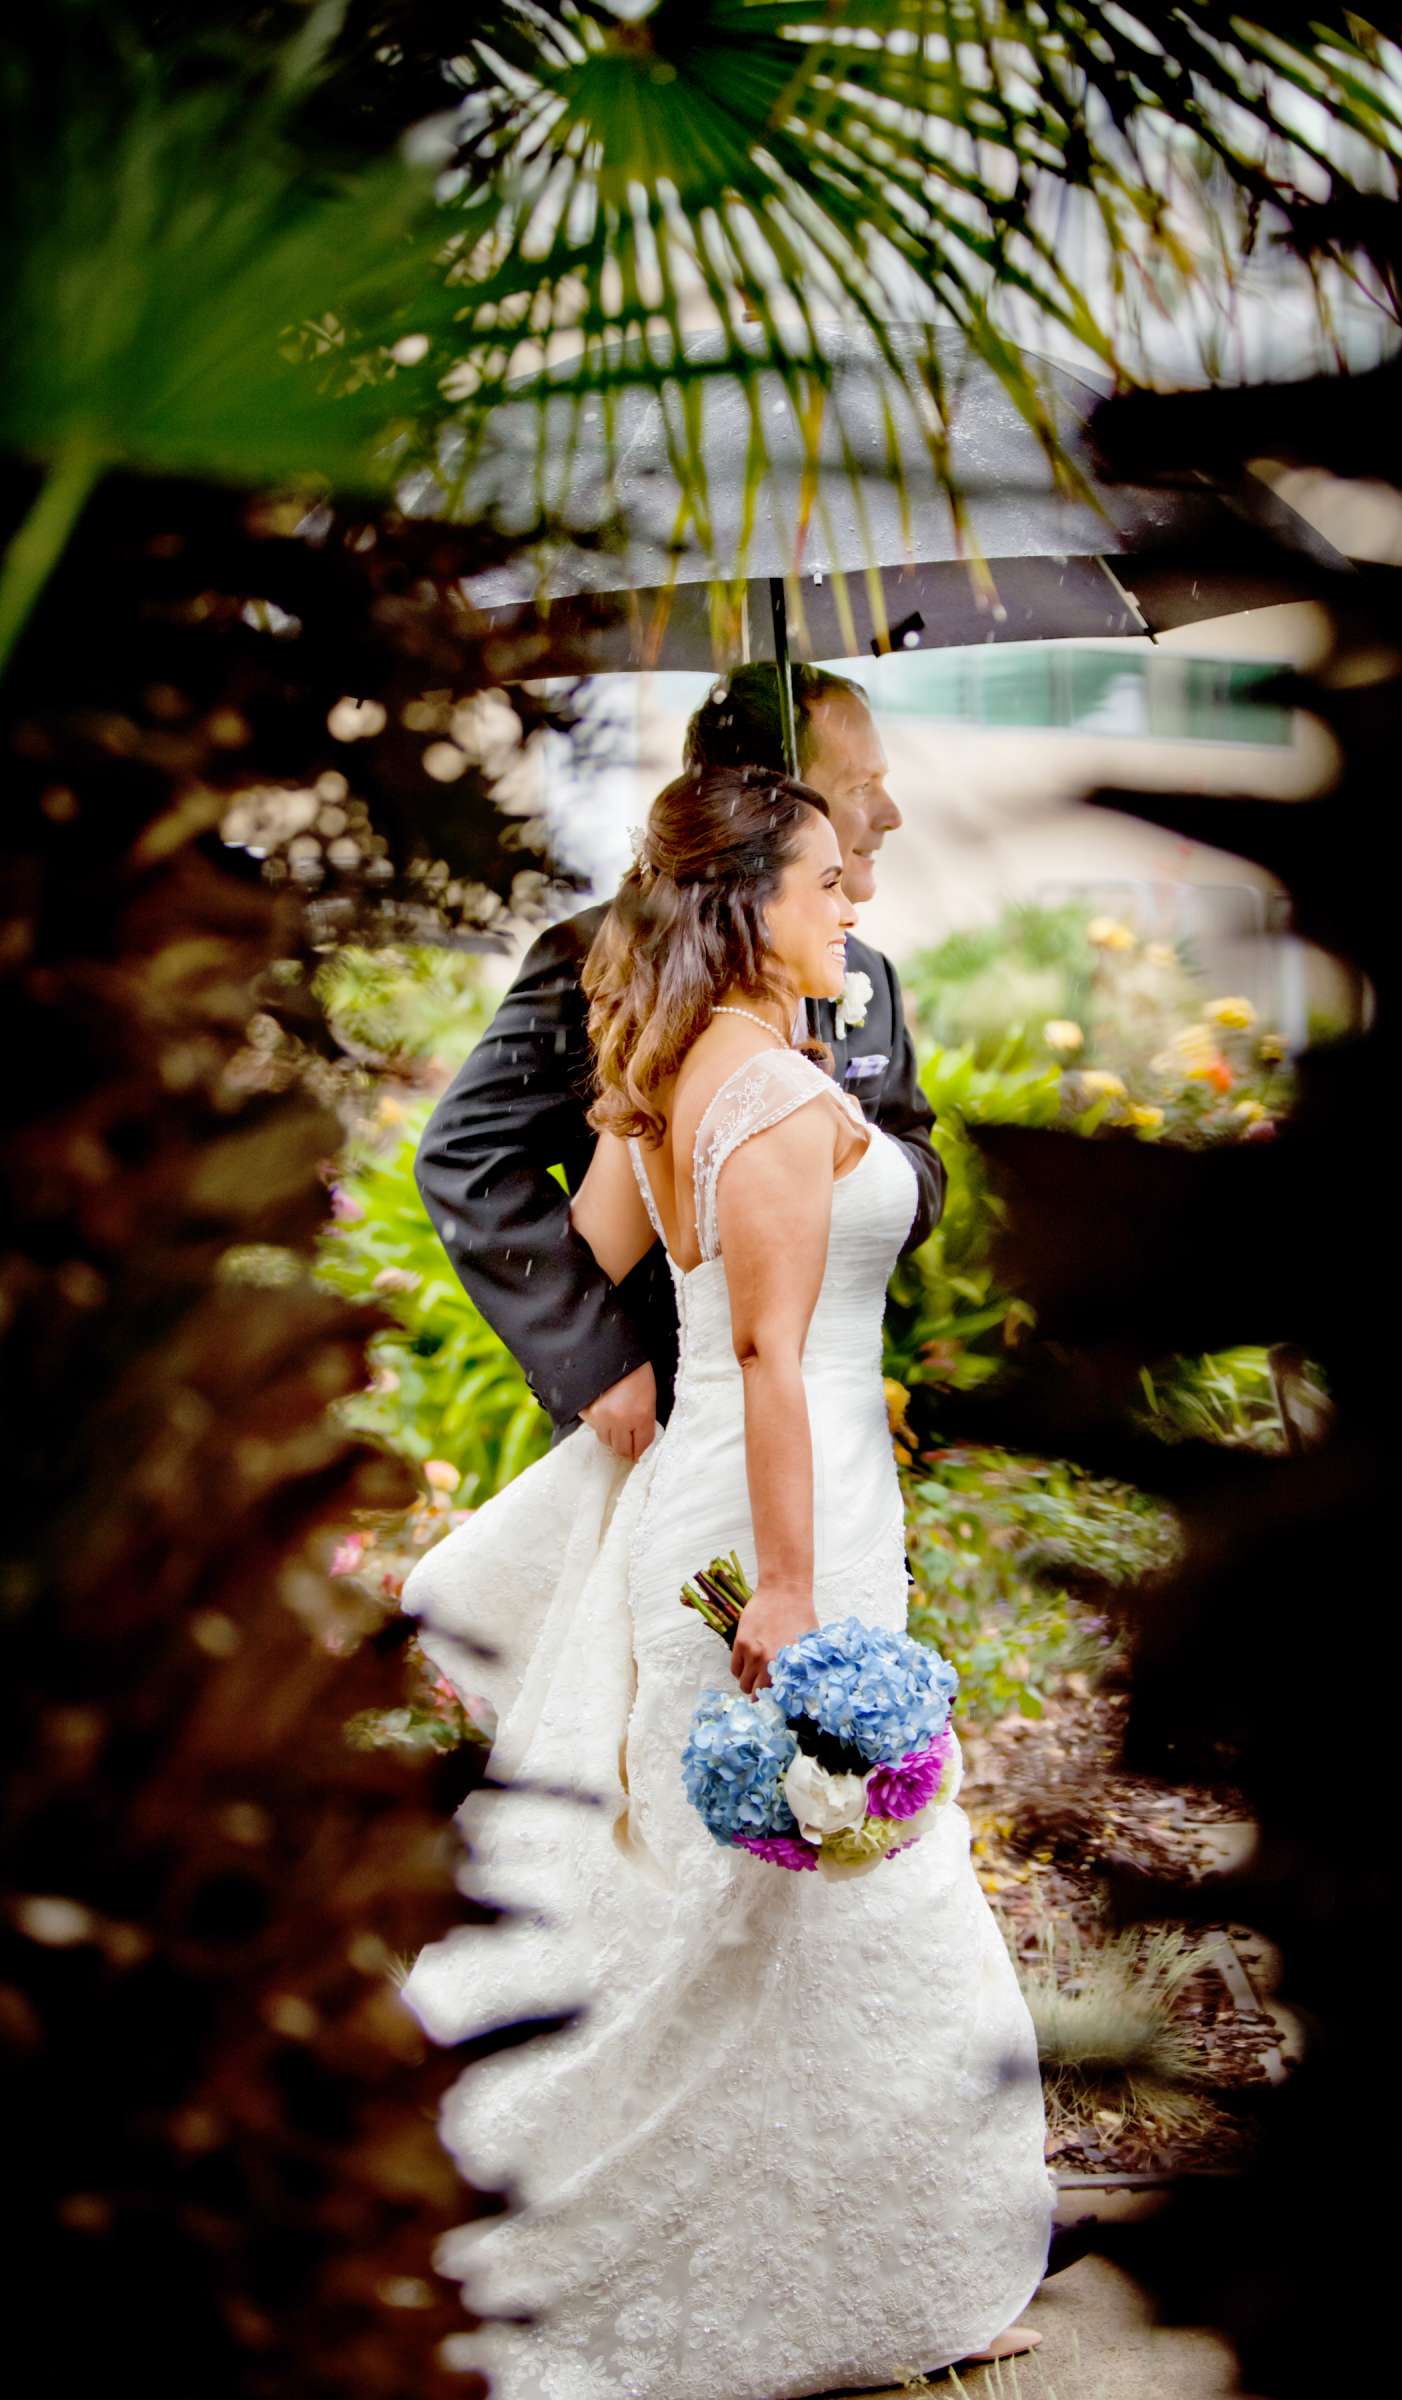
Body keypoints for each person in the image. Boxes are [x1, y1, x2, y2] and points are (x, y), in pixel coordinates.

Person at [399, 764, 1053, 2396]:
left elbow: (609, 1252)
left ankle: (838, 2259)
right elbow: (765, 1353)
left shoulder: (700, 1071)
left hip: (756, 1495)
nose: (855, 905)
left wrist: (670, 1126)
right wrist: (782, 1587)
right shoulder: (756, 1090)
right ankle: (792, 2262)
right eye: (828, 881)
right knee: (820, 1877)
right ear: (746, 900)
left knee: (764, 1899)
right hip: (781, 1523)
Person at [412, 663, 942, 1463]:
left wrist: (820, 1141)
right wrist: (593, 1360)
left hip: (827, 1430)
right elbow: (468, 1157)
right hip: (658, 1426)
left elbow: (919, 1164)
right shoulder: (599, 961)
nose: (890, 814)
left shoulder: (863, 971)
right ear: (768, 799)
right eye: (862, 783)